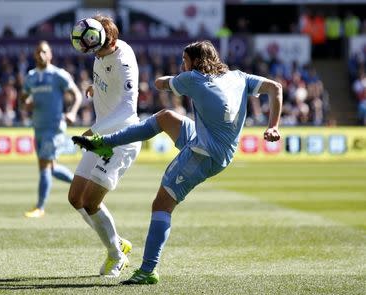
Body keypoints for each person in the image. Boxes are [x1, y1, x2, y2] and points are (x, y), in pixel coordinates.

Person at [72, 40, 283, 284]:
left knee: (162, 204)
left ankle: (148, 270)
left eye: (185, 60)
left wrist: (174, 79)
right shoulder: (238, 76)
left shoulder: (192, 78)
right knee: (166, 117)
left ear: (194, 62)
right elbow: (275, 87)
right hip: (213, 141)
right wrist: (273, 126)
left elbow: (160, 83)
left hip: (204, 153)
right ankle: (108, 141)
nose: (183, 65)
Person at [67, 15, 142, 277]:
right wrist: (95, 88)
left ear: (105, 39)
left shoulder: (123, 60)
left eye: (93, 48)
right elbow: (110, 87)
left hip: (121, 138)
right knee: (75, 197)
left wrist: (93, 130)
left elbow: (127, 108)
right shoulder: (101, 53)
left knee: (90, 201)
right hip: (102, 137)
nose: (91, 54)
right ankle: (117, 241)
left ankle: (116, 255)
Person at [21, 41, 82, 218]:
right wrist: (26, 103)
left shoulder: (58, 75)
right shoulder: (31, 77)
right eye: (38, 52)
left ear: (50, 55)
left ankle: (40, 207)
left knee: (44, 166)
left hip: (54, 128)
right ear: (35, 55)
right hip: (38, 127)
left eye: (44, 52)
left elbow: (77, 95)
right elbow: (23, 98)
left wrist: (72, 113)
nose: (41, 55)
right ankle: (83, 185)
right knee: (52, 168)